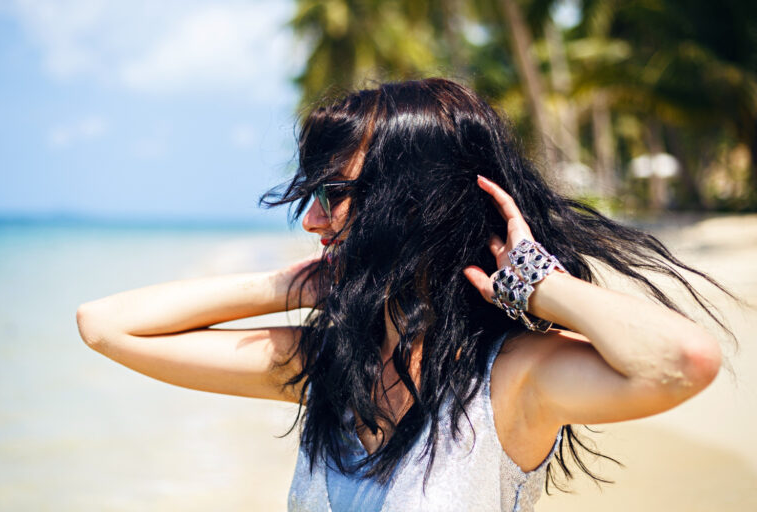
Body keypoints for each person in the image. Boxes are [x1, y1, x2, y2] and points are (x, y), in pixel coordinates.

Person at [76, 78, 731, 511]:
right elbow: (106, 325)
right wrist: (300, 283)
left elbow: (682, 362)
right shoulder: (330, 368)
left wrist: (537, 283)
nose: (310, 220)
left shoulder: (509, 384)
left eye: (333, 195)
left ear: (416, 203)